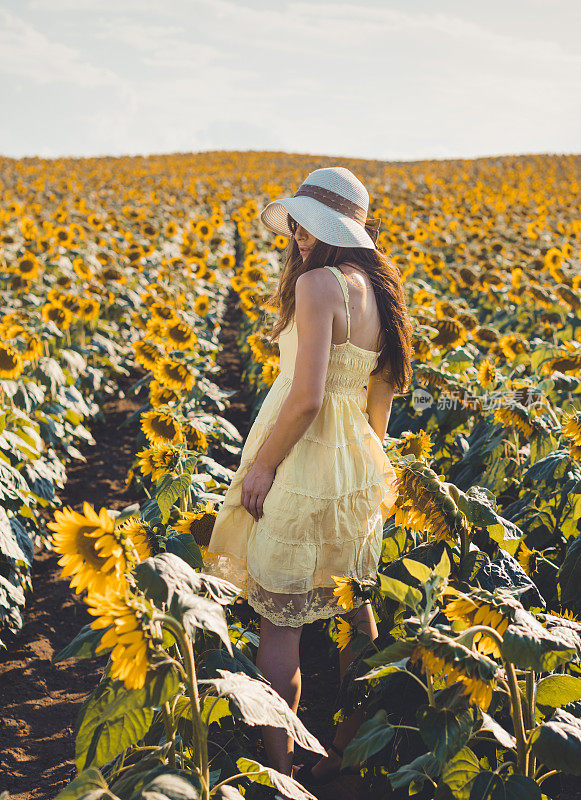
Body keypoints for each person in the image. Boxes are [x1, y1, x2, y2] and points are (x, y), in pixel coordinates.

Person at [203, 166, 413, 792]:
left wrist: (263, 464)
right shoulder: (377, 291)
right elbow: (381, 401)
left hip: (302, 464)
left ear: (330, 230)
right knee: (354, 609)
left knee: (281, 630)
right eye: (295, 221)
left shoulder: (319, 283)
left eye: (305, 223)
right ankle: (348, 748)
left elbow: (308, 397)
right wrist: (370, 471)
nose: (295, 233)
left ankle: (278, 770)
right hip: (353, 470)